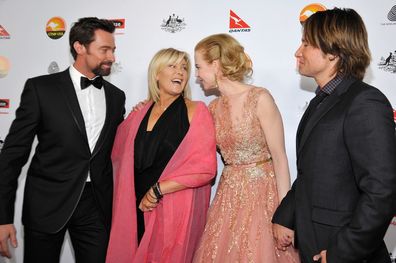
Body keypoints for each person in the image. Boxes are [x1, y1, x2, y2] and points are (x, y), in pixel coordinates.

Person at [272, 8, 396, 263]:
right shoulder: (321, 101)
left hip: (340, 249)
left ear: (333, 52)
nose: (298, 51)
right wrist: (286, 216)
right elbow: (310, 173)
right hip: (313, 242)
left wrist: (344, 252)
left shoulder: (365, 102)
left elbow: (382, 191)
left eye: (306, 43)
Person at [0, 17, 126, 263]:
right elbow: (12, 156)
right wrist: (3, 217)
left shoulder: (116, 97)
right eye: (104, 49)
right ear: (80, 47)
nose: (111, 56)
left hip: (95, 206)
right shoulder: (41, 89)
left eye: (113, 50)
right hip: (47, 204)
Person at [192, 34, 300, 262]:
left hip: (263, 196)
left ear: (215, 64)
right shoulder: (212, 108)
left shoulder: (259, 98)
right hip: (228, 198)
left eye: (199, 67)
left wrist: (284, 215)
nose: (197, 75)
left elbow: (280, 159)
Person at [105, 48, 217, 263]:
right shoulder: (139, 112)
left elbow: (204, 167)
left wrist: (157, 191)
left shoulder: (196, 110)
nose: (181, 72)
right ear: (156, 73)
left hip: (171, 206)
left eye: (184, 67)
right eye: (172, 66)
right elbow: (117, 156)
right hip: (134, 206)